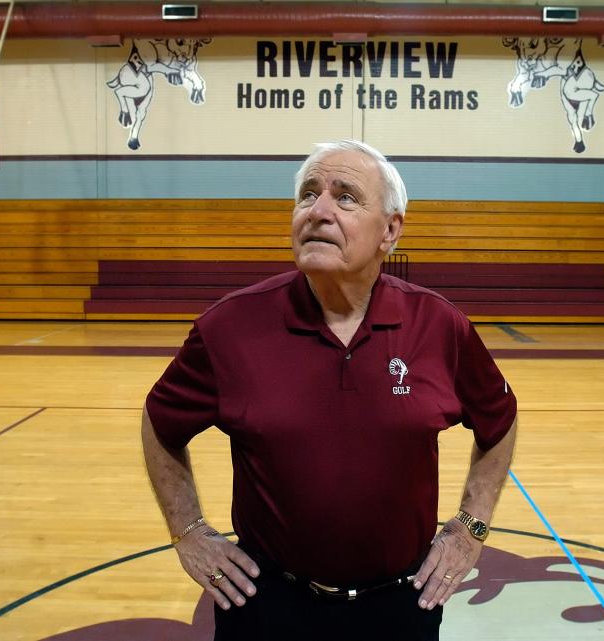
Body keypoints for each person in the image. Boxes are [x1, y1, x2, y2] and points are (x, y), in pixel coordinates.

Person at [141, 139, 518, 641]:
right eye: (307, 195)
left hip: (402, 604)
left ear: (390, 230)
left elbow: (500, 419)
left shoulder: (440, 326)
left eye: (345, 197)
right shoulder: (228, 327)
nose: (317, 211)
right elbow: (160, 422)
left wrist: (470, 527)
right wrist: (188, 531)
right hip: (265, 603)